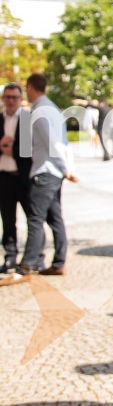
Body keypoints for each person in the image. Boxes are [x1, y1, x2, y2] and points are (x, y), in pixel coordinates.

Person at [16, 74, 78, 279]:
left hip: (45, 171)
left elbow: (53, 143)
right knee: (54, 218)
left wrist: (65, 168)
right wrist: (66, 167)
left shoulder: (41, 110)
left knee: (35, 219)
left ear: (31, 87)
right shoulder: (51, 108)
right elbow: (63, 142)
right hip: (53, 171)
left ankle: (27, 265)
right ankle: (58, 261)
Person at [0, 83, 31, 277]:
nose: (10, 101)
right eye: (7, 97)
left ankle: (32, 257)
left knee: (32, 218)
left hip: (22, 177)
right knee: (8, 219)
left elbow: (28, 150)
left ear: (20, 99)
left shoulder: (26, 119)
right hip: (3, 176)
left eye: (14, 97)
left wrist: (12, 150)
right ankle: (10, 255)